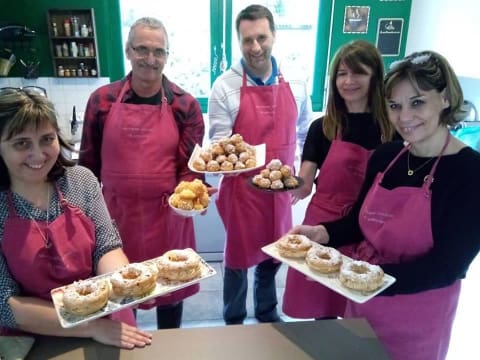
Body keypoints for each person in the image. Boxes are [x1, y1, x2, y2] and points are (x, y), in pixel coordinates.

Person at [288, 50, 480, 359]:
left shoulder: (468, 172)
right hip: (362, 307)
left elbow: (449, 266)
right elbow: (357, 223)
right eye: (395, 105)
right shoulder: (387, 156)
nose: (404, 117)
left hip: (417, 317)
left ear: (444, 98)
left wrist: (369, 279)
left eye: (417, 102)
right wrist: (322, 233)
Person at [0, 88, 152, 349]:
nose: (39, 155)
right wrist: (91, 327)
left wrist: (122, 281)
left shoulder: (80, 181)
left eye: (47, 139)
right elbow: (6, 304)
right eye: (21, 143)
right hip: (35, 333)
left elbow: (106, 246)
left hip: (105, 317)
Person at [78, 17, 205, 329]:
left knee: (171, 289)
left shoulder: (184, 104)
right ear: (128, 51)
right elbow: (86, 167)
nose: (151, 59)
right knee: (123, 292)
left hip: (168, 218)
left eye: (159, 52)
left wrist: (193, 194)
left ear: (167, 55)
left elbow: (191, 169)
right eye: (142, 50)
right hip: (115, 218)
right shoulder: (102, 100)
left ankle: (171, 344)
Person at [208, 4, 312, 325]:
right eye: (247, 40)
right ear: (238, 42)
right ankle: (234, 318)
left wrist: (303, 177)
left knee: (275, 254)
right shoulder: (224, 86)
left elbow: (305, 132)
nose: (255, 47)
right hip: (241, 191)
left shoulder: (296, 81)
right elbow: (219, 146)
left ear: (274, 36)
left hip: (280, 189)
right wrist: (237, 161)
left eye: (262, 38)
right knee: (238, 260)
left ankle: (267, 313)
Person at [282, 40, 395, 319]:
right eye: (342, 74)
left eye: (358, 73)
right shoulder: (322, 128)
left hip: (368, 229)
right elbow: (304, 184)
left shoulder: (392, 130)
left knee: (359, 310)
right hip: (321, 227)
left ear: (375, 78)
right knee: (323, 310)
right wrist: (281, 182)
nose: (348, 81)